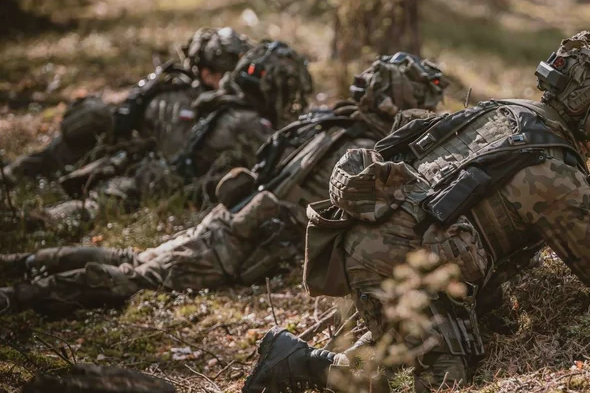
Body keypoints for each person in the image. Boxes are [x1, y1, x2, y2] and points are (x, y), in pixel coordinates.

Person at [240, 31, 590, 393]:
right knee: (436, 387)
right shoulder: (553, 172)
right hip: (401, 256)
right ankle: (296, 363)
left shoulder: (506, 113)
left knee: (410, 345)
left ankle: (333, 358)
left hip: (391, 238)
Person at [0, 53, 445, 318]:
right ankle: (15, 295)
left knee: (130, 258)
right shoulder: (366, 149)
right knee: (135, 276)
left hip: (230, 218)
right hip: (239, 241)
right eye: (424, 102)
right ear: (402, 103)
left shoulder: (333, 122)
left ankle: (19, 264)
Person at [33, 40, 312, 227]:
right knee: (76, 215)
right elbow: (294, 165)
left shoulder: (222, 103)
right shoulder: (247, 123)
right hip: (161, 185)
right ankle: (33, 222)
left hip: (158, 176)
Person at [1, 28, 253, 183]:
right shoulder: (178, 99)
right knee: (32, 170)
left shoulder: (200, 95)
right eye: (226, 73)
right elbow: (175, 155)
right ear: (207, 74)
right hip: (100, 151)